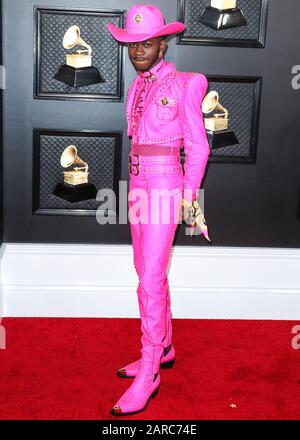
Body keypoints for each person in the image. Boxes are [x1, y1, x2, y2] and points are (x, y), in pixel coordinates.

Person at [106, 3, 211, 416]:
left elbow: (198, 147)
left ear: (163, 43)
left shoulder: (187, 84)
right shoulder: (135, 88)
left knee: (149, 277)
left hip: (167, 181)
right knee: (145, 269)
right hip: (136, 183)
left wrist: (188, 197)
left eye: (146, 43)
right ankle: (163, 345)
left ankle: (150, 370)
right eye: (133, 45)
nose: (138, 51)